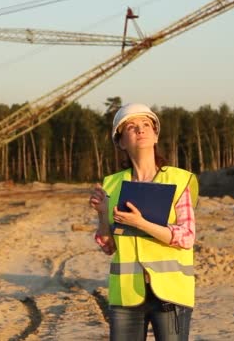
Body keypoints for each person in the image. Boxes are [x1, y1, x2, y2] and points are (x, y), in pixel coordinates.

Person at [89, 103, 199, 341]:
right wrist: (102, 214)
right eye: (131, 126)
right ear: (120, 142)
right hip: (127, 294)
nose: (140, 129)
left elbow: (187, 236)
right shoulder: (112, 185)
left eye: (146, 124)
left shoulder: (178, 180)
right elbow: (109, 246)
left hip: (170, 293)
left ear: (155, 135)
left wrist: (141, 223)